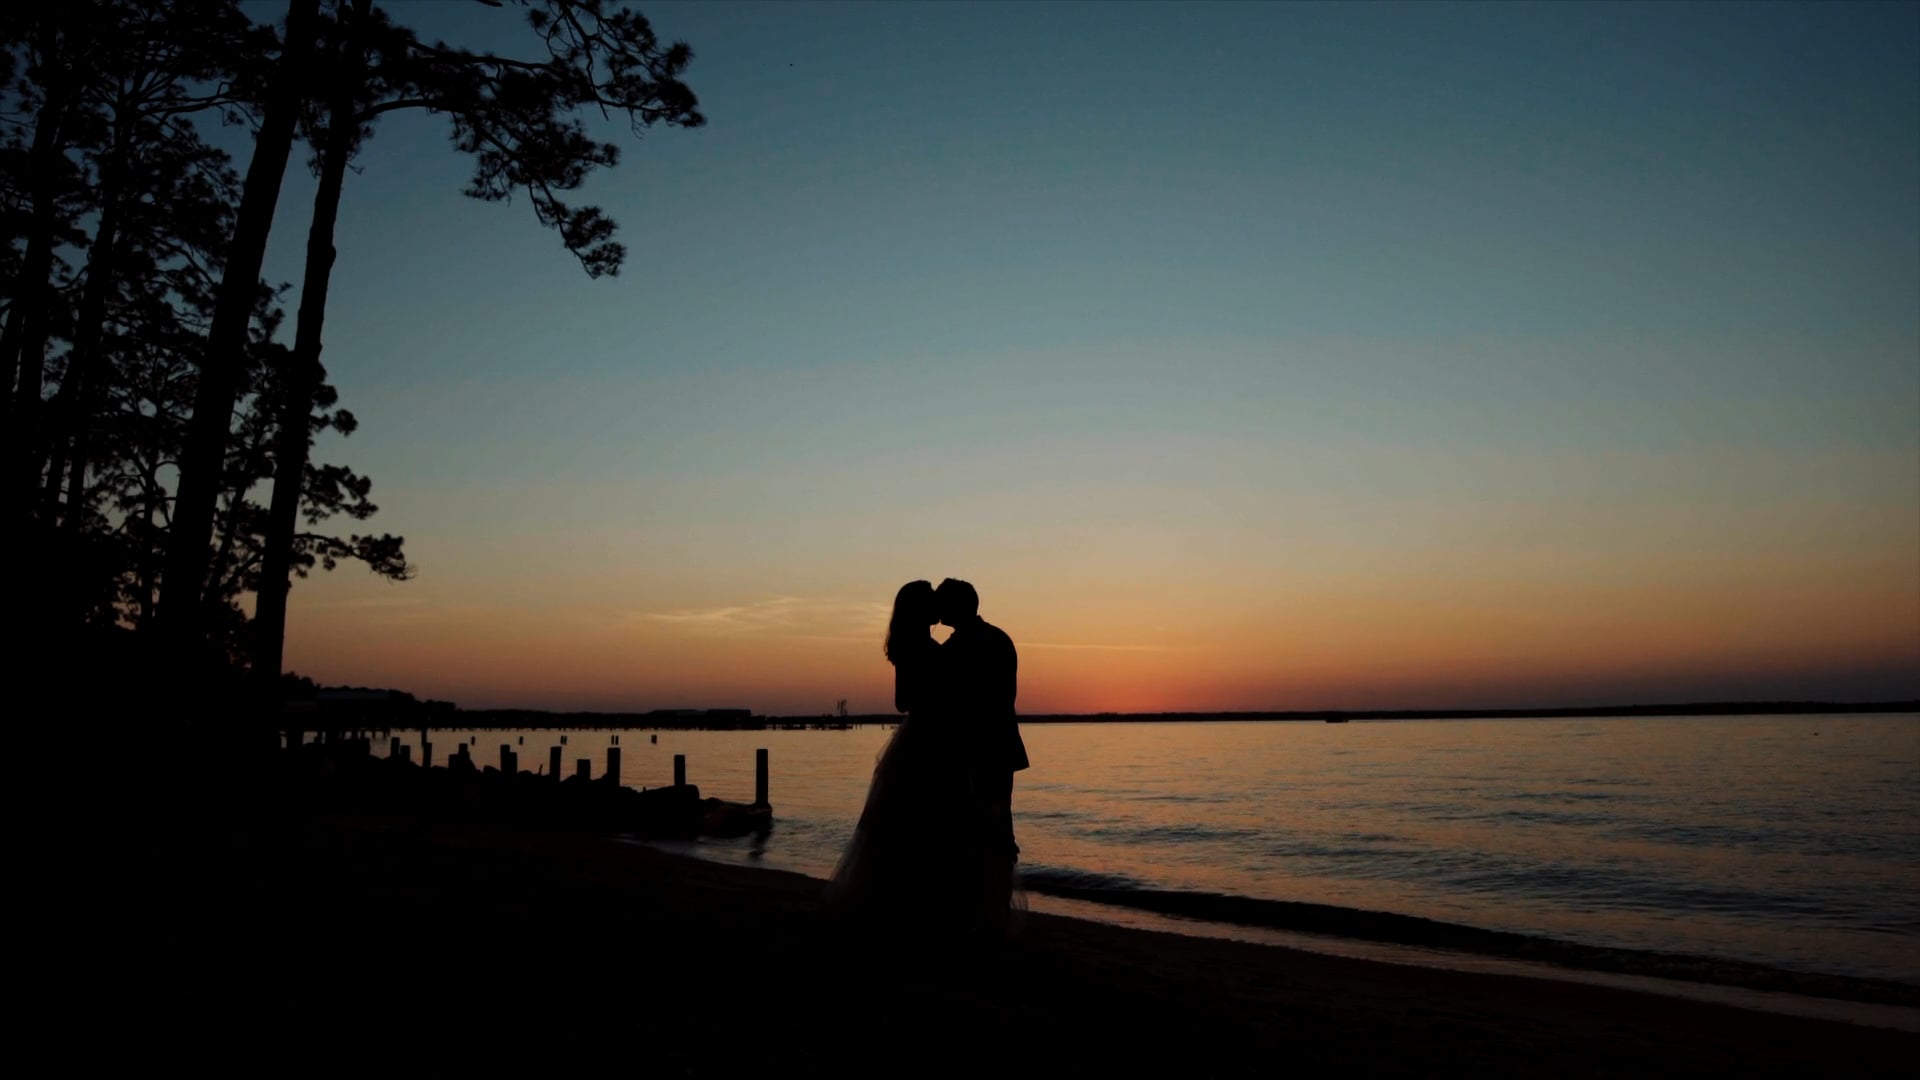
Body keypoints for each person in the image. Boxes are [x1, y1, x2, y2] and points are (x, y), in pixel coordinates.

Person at [823, 581, 982, 940]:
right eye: (930, 603)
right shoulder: (922, 648)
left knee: (909, 827)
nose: (937, 609)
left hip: (922, 738)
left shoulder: (912, 646)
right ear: (919, 610)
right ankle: (922, 911)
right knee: (927, 827)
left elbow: (901, 701)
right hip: (929, 741)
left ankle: (909, 907)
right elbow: (908, 700)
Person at [934, 577, 1027, 936]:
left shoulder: (963, 646)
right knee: (993, 825)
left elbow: (973, 702)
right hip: (998, 746)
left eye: (943, 604)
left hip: (980, 749)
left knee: (987, 826)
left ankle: (987, 909)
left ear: (957, 606)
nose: (937, 611)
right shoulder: (997, 638)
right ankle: (988, 905)